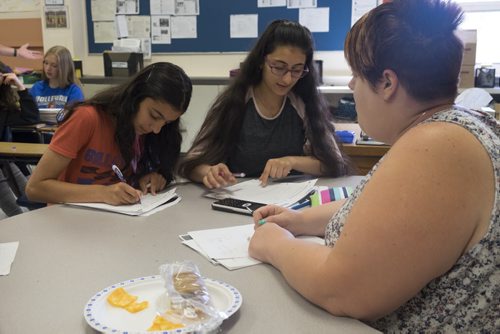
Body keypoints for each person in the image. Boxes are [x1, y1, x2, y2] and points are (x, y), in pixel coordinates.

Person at [248, 1, 499, 333]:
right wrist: (299, 221)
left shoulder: (436, 147)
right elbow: (384, 212)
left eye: (356, 76)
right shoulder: (461, 125)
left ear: (386, 83)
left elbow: (340, 289)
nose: (352, 87)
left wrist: (274, 243)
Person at [178, 20, 351, 188]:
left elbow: (334, 163)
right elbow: (191, 163)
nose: (287, 78)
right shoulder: (236, 102)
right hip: (240, 198)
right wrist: (209, 172)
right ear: (261, 61)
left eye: (297, 70)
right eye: (278, 67)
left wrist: (292, 161)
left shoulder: (303, 103)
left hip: (291, 201)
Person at [25, 62, 192, 205]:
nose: (156, 129)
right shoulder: (87, 118)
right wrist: (103, 193)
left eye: (167, 123)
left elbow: (125, 180)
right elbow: (35, 188)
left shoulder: (146, 133)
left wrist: (148, 178)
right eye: (154, 116)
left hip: (113, 223)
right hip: (67, 223)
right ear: (136, 95)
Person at [0, 62, 40, 216]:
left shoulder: (4, 108)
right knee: (15, 212)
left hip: (5, 161)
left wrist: (20, 87)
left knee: (32, 198)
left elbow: (30, 117)